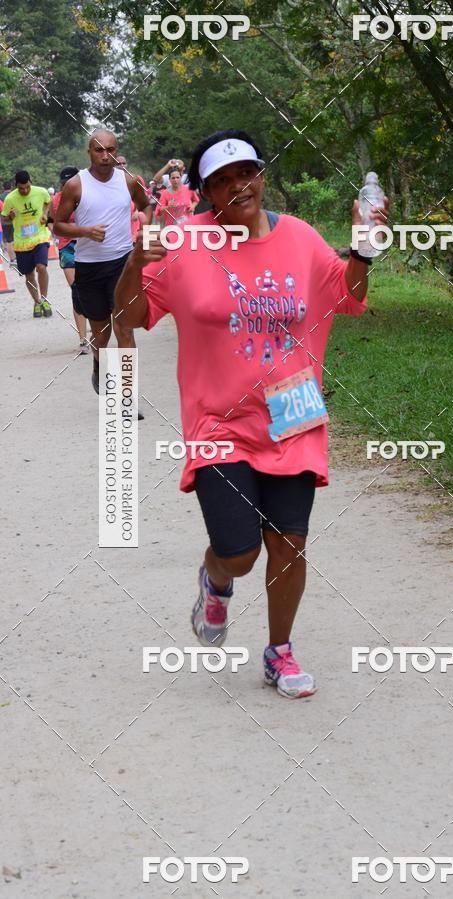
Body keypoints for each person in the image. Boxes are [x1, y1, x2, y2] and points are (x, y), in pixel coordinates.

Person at [115, 129, 389, 699]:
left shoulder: (302, 239)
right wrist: (134, 264)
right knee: (240, 553)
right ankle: (215, 579)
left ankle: (280, 652)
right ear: (207, 192)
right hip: (217, 421)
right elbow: (129, 318)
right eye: (221, 180)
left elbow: (350, 297)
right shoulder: (187, 243)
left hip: (293, 409)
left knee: (289, 541)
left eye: (246, 172)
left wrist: (363, 249)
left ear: (261, 174)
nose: (238, 186)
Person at [54, 129, 152, 417]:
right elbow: (58, 226)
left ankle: (128, 398)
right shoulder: (75, 185)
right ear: (89, 152)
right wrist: (85, 231)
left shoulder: (128, 180)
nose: (106, 156)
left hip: (122, 264)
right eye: (99, 150)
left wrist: (145, 224)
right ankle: (98, 362)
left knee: (125, 329)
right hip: (89, 268)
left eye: (111, 149)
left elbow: (146, 204)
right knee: (102, 334)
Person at [0, 171, 52, 317]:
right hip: (22, 243)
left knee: (42, 267)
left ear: (31, 181)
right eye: (21, 188)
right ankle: (37, 302)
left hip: (40, 237)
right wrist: (10, 217)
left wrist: (45, 214)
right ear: (16, 186)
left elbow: (48, 201)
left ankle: (44, 298)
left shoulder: (41, 192)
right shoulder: (10, 198)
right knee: (29, 276)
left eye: (27, 187)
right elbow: (4, 220)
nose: (24, 190)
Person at [52, 166, 88, 352]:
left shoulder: (90, 194)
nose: (67, 186)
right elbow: (53, 222)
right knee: (77, 290)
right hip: (68, 247)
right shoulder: (57, 199)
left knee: (94, 290)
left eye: (70, 182)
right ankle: (83, 339)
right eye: (64, 184)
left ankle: (99, 333)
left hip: (89, 246)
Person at [0, 179, 16, 265]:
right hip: (15, 220)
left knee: (9, 241)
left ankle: (12, 259)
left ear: (3, 188)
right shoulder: (14, 195)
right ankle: (16, 257)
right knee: (15, 239)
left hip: (4, 221)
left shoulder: (0, 197)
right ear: (11, 187)